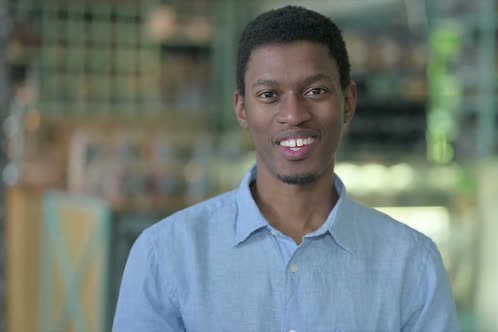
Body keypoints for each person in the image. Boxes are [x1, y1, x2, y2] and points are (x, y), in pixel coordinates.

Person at [113, 5, 459, 332]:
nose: (294, 115)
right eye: (268, 95)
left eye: (316, 90)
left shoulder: (412, 263)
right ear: (242, 109)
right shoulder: (165, 254)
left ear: (348, 102)